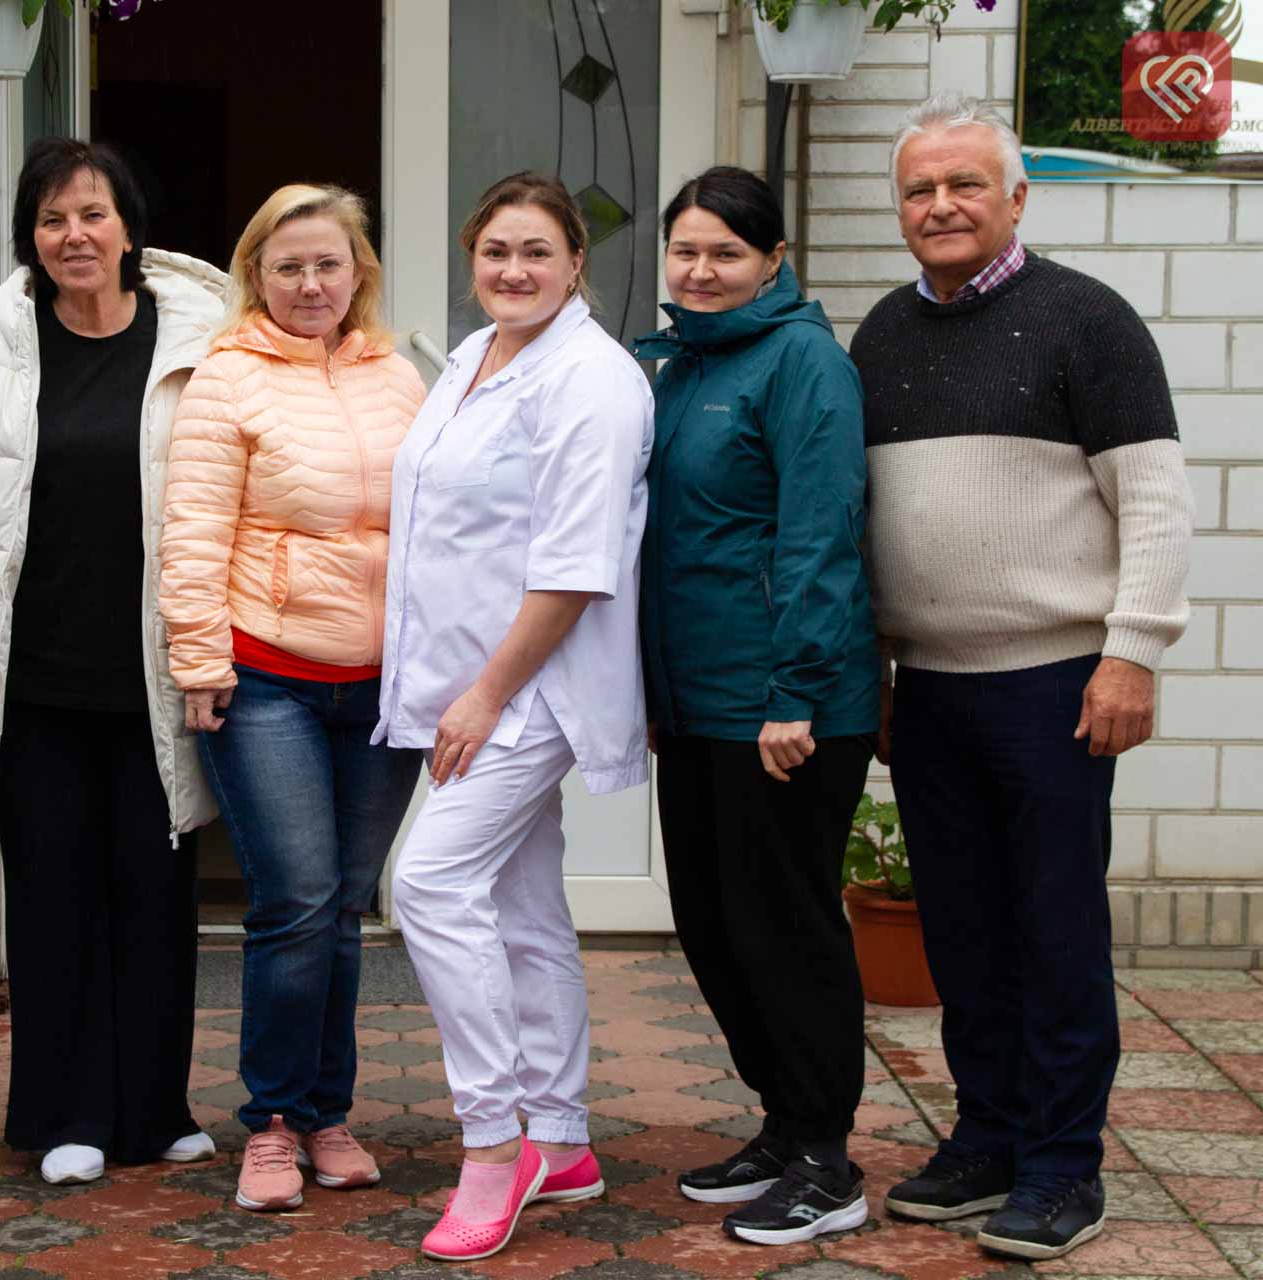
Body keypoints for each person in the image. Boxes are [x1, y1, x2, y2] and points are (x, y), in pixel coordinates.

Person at [853, 93, 1193, 1261]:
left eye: (964, 184)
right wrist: (880, 669)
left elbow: (1154, 499)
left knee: (1053, 930)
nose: (940, 205)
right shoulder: (883, 334)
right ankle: (988, 1135)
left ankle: (1062, 1164)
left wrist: (1132, 650)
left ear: (1016, 196)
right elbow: (873, 520)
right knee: (960, 929)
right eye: (919, 188)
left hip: (1056, 684)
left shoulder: (1088, 321)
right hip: (932, 691)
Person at [379, 171, 654, 1263]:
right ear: (471, 258)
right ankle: (565, 1140)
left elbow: (576, 565)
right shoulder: (472, 357)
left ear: (577, 261)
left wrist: (486, 694)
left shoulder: (593, 378)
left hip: (532, 687)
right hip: (474, 680)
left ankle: (494, 1143)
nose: (514, 269)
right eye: (495, 250)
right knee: (521, 903)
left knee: (429, 882)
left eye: (538, 250)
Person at [0, 138, 226, 1185]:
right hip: (36, 680)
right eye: (53, 217)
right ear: (30, 235)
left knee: (154, 896)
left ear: (129, 227)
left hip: (155, 674)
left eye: (94, 214)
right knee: (54, 898)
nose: (75, 235)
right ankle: (63, 1112)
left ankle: (153, 1109)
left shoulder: (200, 340)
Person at [159, 184, 427, 1213]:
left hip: (383, 686)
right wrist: (200, 660)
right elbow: (193, 529)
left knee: (345, 906)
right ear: (256, 276)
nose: (311, 284)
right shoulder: (227, 375)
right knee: (297, 900)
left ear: (359, 272)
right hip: (267, 673)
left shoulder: (396, 373)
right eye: (289, 267)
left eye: (328, 264)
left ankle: (326, 1113)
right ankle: (271, 1122)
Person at [632, 166, 877, 1246]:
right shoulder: (679, 362)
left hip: (784, 706)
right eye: (685, 250)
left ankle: (828, 1157)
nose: (701, 270)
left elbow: (822, 531)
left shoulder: (803, 361)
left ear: (773, 260)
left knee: (785, 929)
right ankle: (784, 1124)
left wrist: (796, 692)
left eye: (726, 252)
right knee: (713, 923)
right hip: (696, 704)